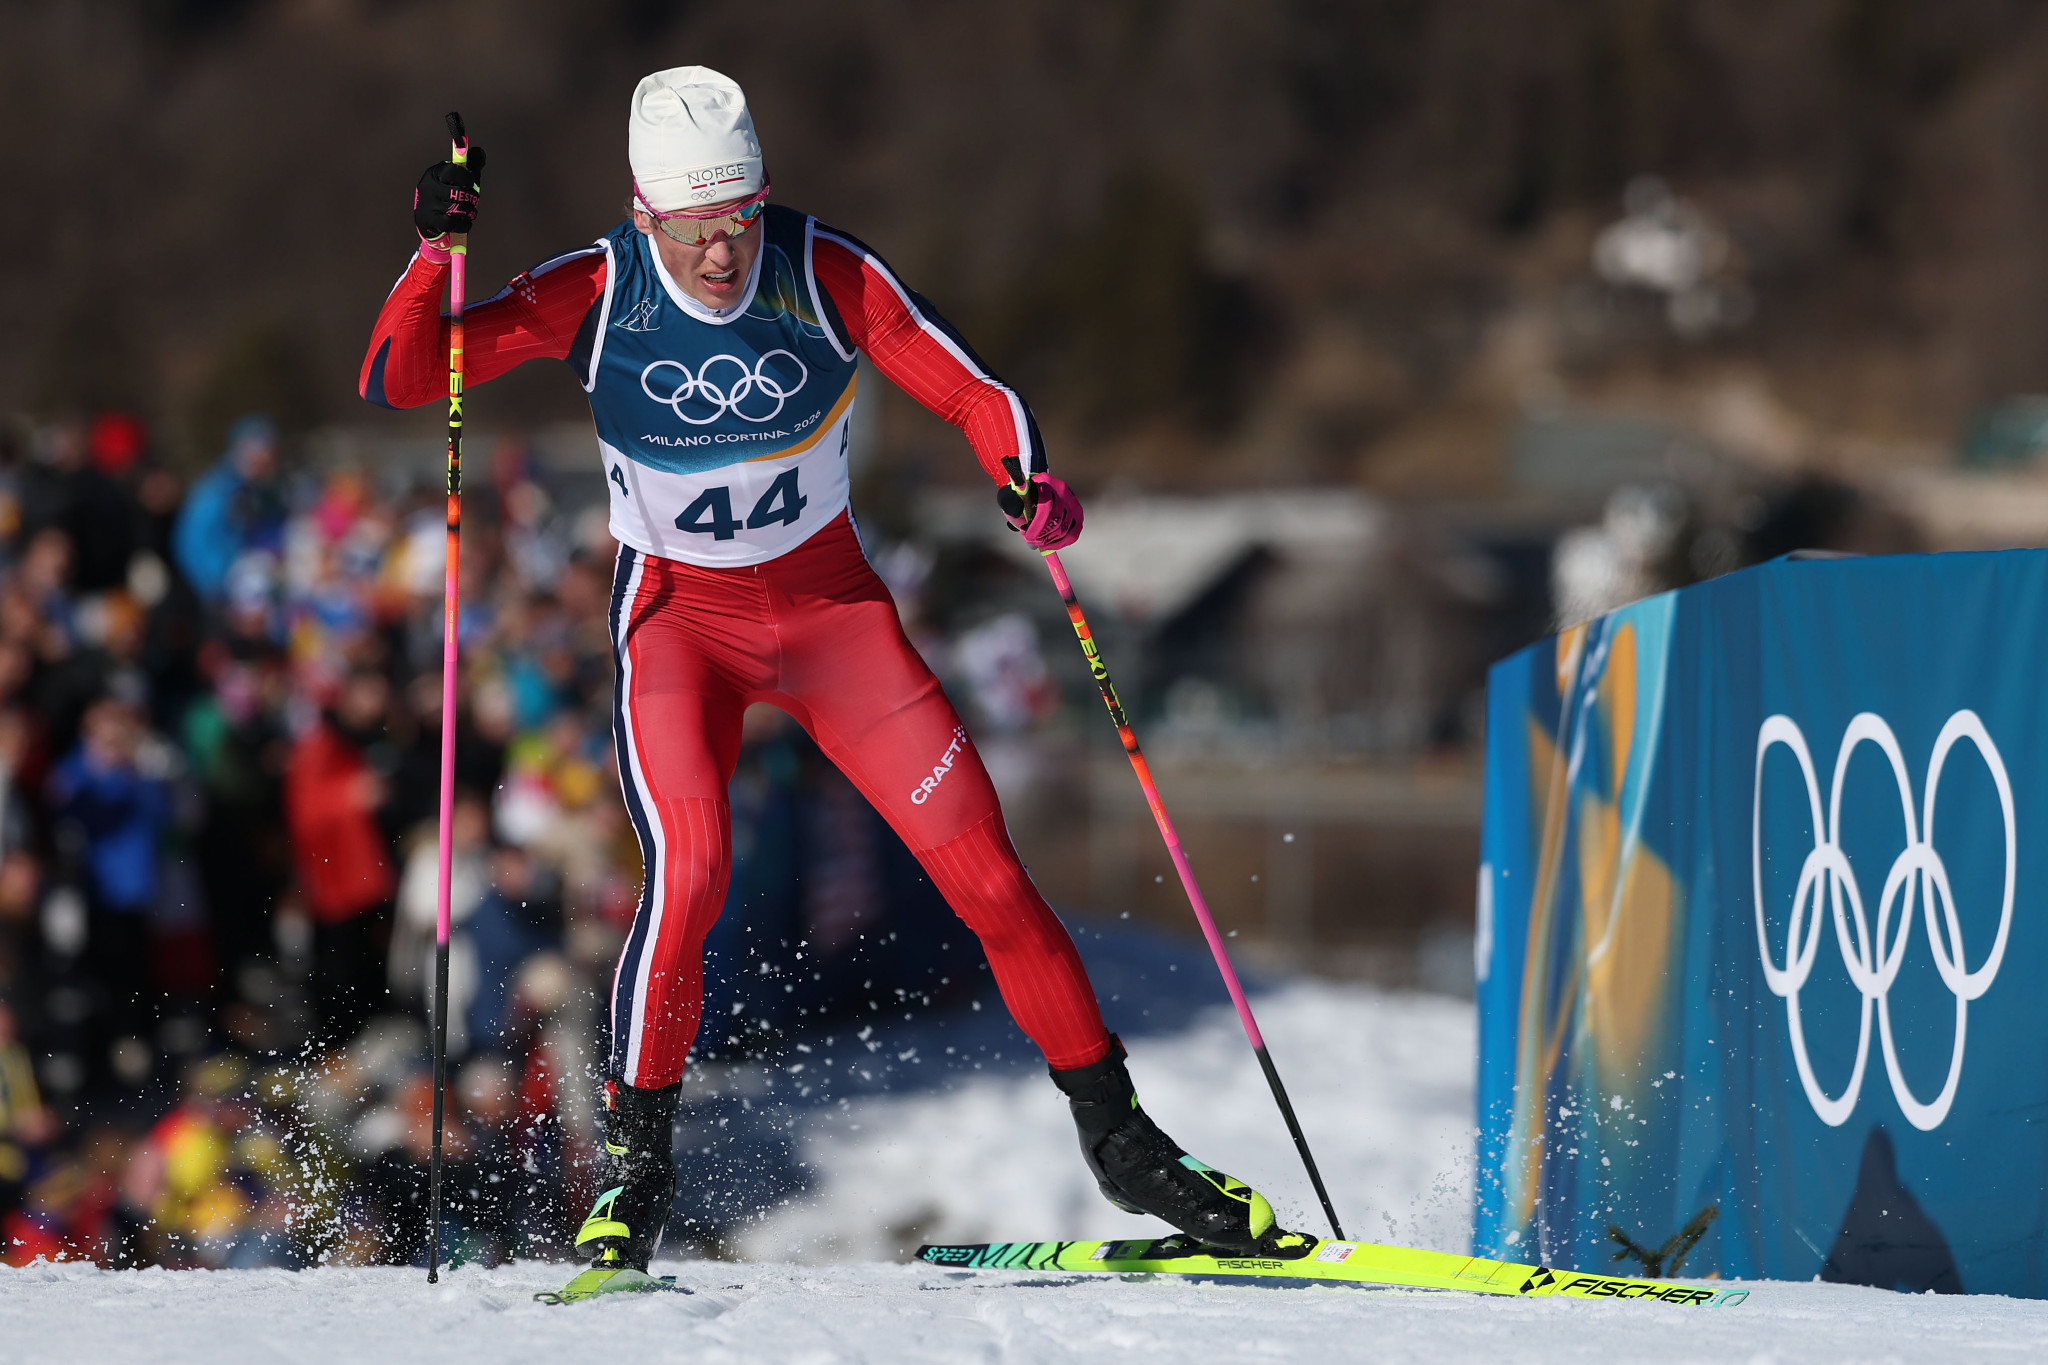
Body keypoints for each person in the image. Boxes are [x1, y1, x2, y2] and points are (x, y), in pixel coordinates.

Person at [361, 66, 1303, 1296]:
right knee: (691, 874)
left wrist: (1023, 475)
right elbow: (403, 376)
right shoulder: (596, 289)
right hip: (681, 627)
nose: (722, 251)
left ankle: (1122, 1144)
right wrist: (432, 258)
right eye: (696, 227)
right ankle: (633, 1178)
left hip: (831, 618)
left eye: (740, 217)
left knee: (988, 876)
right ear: (644, 215)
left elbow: (970, 389)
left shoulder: (821, 271)